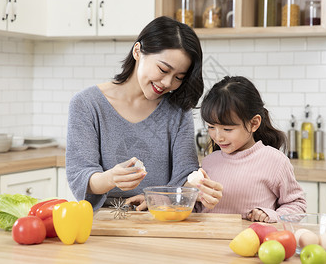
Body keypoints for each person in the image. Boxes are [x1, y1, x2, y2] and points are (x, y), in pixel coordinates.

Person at [66, 16, 204, 211]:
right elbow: (80, 176)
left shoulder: (178, 111)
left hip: (160, 219)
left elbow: (185, 176)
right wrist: (110, 178)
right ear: (138, 51)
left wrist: (197, 188)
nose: (167, 83)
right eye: (163, 69)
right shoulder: (87, 104)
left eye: (178, 77)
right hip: (105, 221)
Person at [193, 76, 306, 222]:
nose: (218, 137)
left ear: (254, 123)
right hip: (208, 239)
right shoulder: (209, 162)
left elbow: (297, 204)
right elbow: (198, 209)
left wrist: (271, 215)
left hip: (252, 241)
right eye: (211, 127)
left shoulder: (275, 161)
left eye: (227, 129)